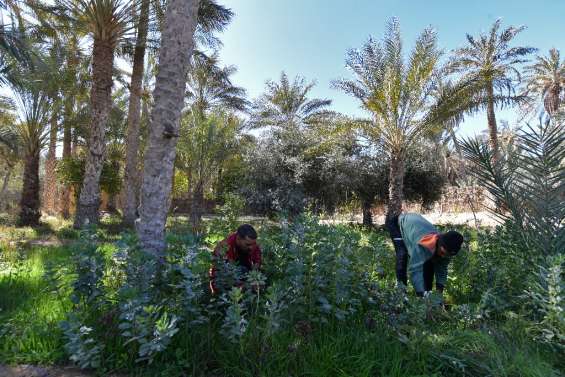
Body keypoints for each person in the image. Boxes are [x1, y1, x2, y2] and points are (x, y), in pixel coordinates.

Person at [385, 212, 463, 296]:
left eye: (447, 255)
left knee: (431, 260)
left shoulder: (448, 248)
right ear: (439, 243)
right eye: (442, 252)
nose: (443, 256)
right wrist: (421, 293)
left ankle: (427, 292)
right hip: (398, 224)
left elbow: (441, 270)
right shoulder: (423, 246)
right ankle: (401, 293)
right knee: (402, 255)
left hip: (416, 224)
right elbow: (415, 270)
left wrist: (438, 294)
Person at [209, 224, 262, 294]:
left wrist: (254, 277)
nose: (251, 247)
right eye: (248, 245)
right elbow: (221, 276)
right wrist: (246, 285)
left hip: (242, 273)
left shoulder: (251, 243)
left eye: (253, 244)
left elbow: (257, 262)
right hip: (225, 280)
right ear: (238, 238)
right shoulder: (223, 248)